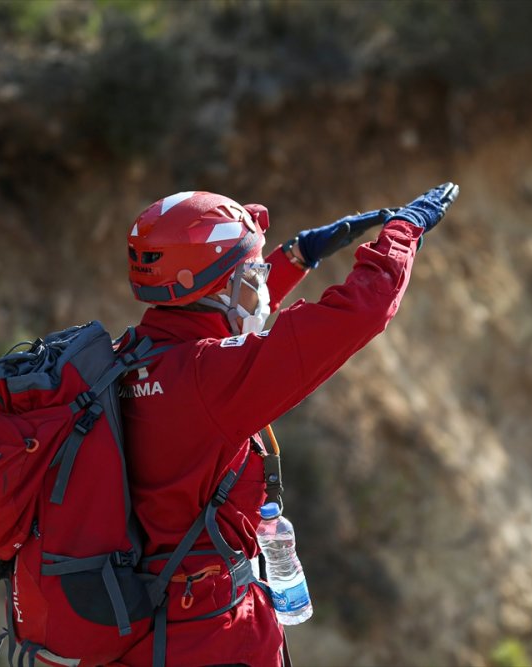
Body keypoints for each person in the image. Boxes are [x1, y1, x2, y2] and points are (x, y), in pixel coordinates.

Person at [114, 184, 459, 666]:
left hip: (139, 630)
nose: (260, 284)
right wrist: (403, 233)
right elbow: (360, 311)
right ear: (214, 287)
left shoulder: (130, 359)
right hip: (208, 640)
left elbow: (230, 315)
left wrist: (299, 255)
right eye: (252, 273)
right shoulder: (211, 380)